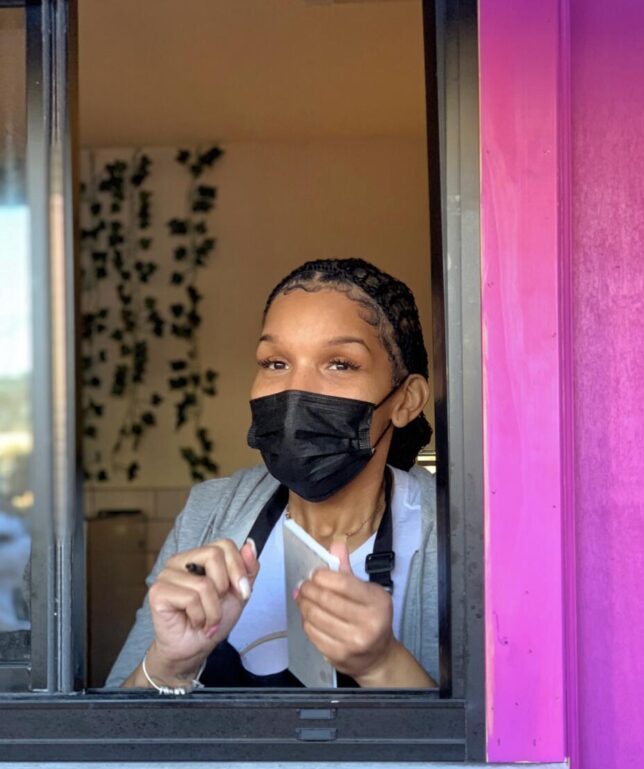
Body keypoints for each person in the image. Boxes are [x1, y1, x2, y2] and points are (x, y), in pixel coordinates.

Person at [106, 258, 438, 691]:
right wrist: (171, 664)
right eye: (275, 363)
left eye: (339, 363)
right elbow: (116, 735)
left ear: (406, 400)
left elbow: (511, 740)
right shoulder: (210, 512)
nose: (296, 392)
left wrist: (381, 665)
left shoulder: (461, 534)